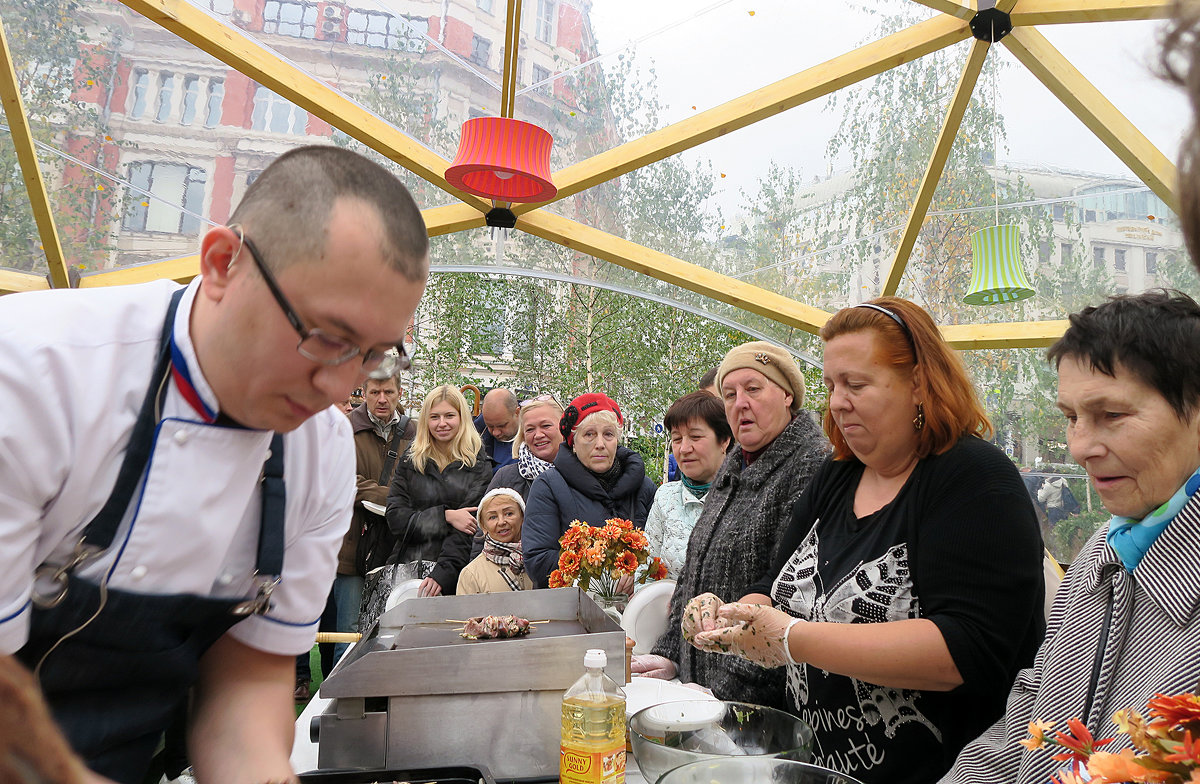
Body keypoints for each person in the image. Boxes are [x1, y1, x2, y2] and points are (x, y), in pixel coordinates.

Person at [0, 145, 428, 784]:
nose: (341, 389)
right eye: (327, 338)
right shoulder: (33, 375)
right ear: (223, 262)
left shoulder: (322, 450)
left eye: (372, 355)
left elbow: (249, 686)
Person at [681, 300, 1044, 784]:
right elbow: (776, 583)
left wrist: (793, 638)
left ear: (918, 383)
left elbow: (967, 651)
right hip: (815, 767)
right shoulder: (837, 476)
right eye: (831, 385)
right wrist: (735, 615)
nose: (836, 401)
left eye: (856, 384)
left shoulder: (975, 479)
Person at [941, 290, 1200, 784]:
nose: (1080, 447)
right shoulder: (1102, 552)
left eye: (1113, 416)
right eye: (1071, 417)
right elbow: (1028, 712)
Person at [632, 341, 828, 710]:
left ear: (788, 395)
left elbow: (787, 598)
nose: (740, 403)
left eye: (753, 389)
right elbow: (693, 574)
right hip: (699, 691)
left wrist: (726, 695)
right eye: (729, 394)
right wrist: (670, 651)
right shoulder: (736, 464)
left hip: (759, 711)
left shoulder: (811, 465)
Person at [524, 393, 657, 588]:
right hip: (573, 609)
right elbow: (538, 560)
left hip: (637, 607)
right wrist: (607, 574)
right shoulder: (549, 486)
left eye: (608, 434)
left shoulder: (643, 487)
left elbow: (661, 550)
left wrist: (637, 574)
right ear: (573, 443)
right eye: (589, 434)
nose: (600, 444)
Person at [386, 384, 491, 597]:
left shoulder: (479, 464)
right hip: (406, 571)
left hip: (454, 577)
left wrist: (441, 575)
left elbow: (468, 531)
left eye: (449, 415)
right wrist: (445, 516)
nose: (442, 423)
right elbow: (396, 518)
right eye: (434, 417)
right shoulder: (411, 459)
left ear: (462, 417)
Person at [340, 371, 415, 657]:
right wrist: (397, 498)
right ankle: (340, 697)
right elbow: (343, 480)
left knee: (392, 628)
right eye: (374, 393)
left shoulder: (415, 432)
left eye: (389, 393)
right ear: (364, 393)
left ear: (399, 393)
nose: (382, 399)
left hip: (399, 544)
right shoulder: (344, 429)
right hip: (353, 545)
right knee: (348, 633)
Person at [644, 392, 732, 580]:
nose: (684, 448)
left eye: (695, 437)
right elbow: (646, 572)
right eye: (677, 439)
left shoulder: (745, 496)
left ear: (724, 440)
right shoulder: (665, 497)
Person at [457, 489, 533, 595]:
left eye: (509, 514)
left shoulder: (538, 560)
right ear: (483, 526)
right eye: (492, 517)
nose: (501, 522)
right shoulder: (471, 574)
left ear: (523, 517)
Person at [476, 388, 519, 472]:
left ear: (517, 413)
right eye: (490, 426)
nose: (496, 433)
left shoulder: (536, 436)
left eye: (502, 426)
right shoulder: (478, 432)